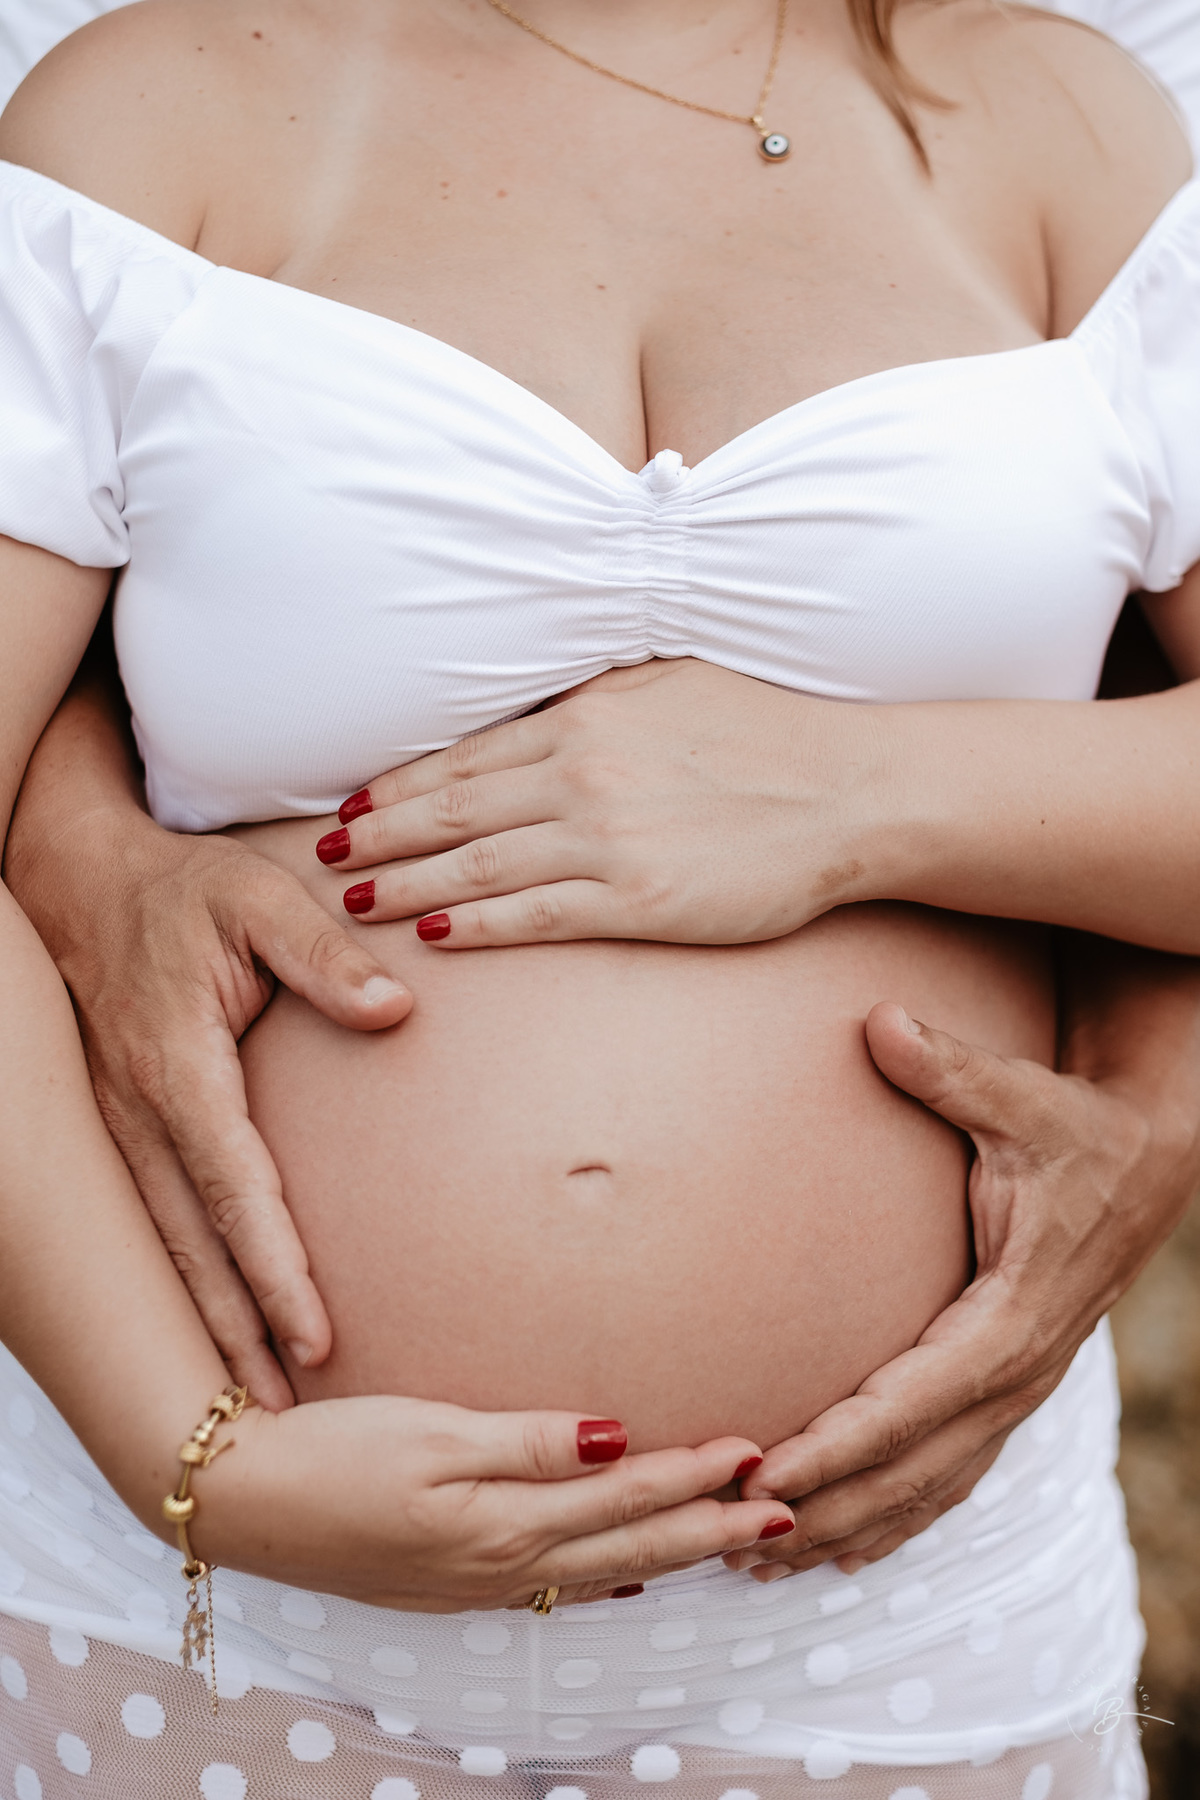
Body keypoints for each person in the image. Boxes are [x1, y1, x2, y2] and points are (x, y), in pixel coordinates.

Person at [3, 1, 1200, 1797]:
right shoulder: (140, 108)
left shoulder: (1071, 127)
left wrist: (863, 795)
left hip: (901, 1628)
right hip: (206, 1616)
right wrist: (189, 1461)